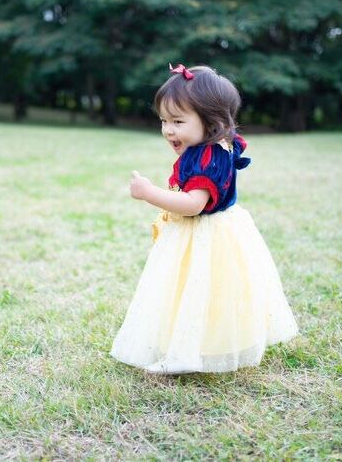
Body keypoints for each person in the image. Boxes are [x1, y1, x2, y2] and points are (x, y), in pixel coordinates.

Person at [110, 64, 299, 374]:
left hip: (206, 234)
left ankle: (185, 355)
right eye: (164, 121)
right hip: (214, 230)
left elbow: (193, 205)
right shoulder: (212, 147)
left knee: (199, 290)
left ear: (212, 122)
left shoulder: (209, 157)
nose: (168, 130)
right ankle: (193, 345)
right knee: (196, 290)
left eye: (178, 121)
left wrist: (149, 193)